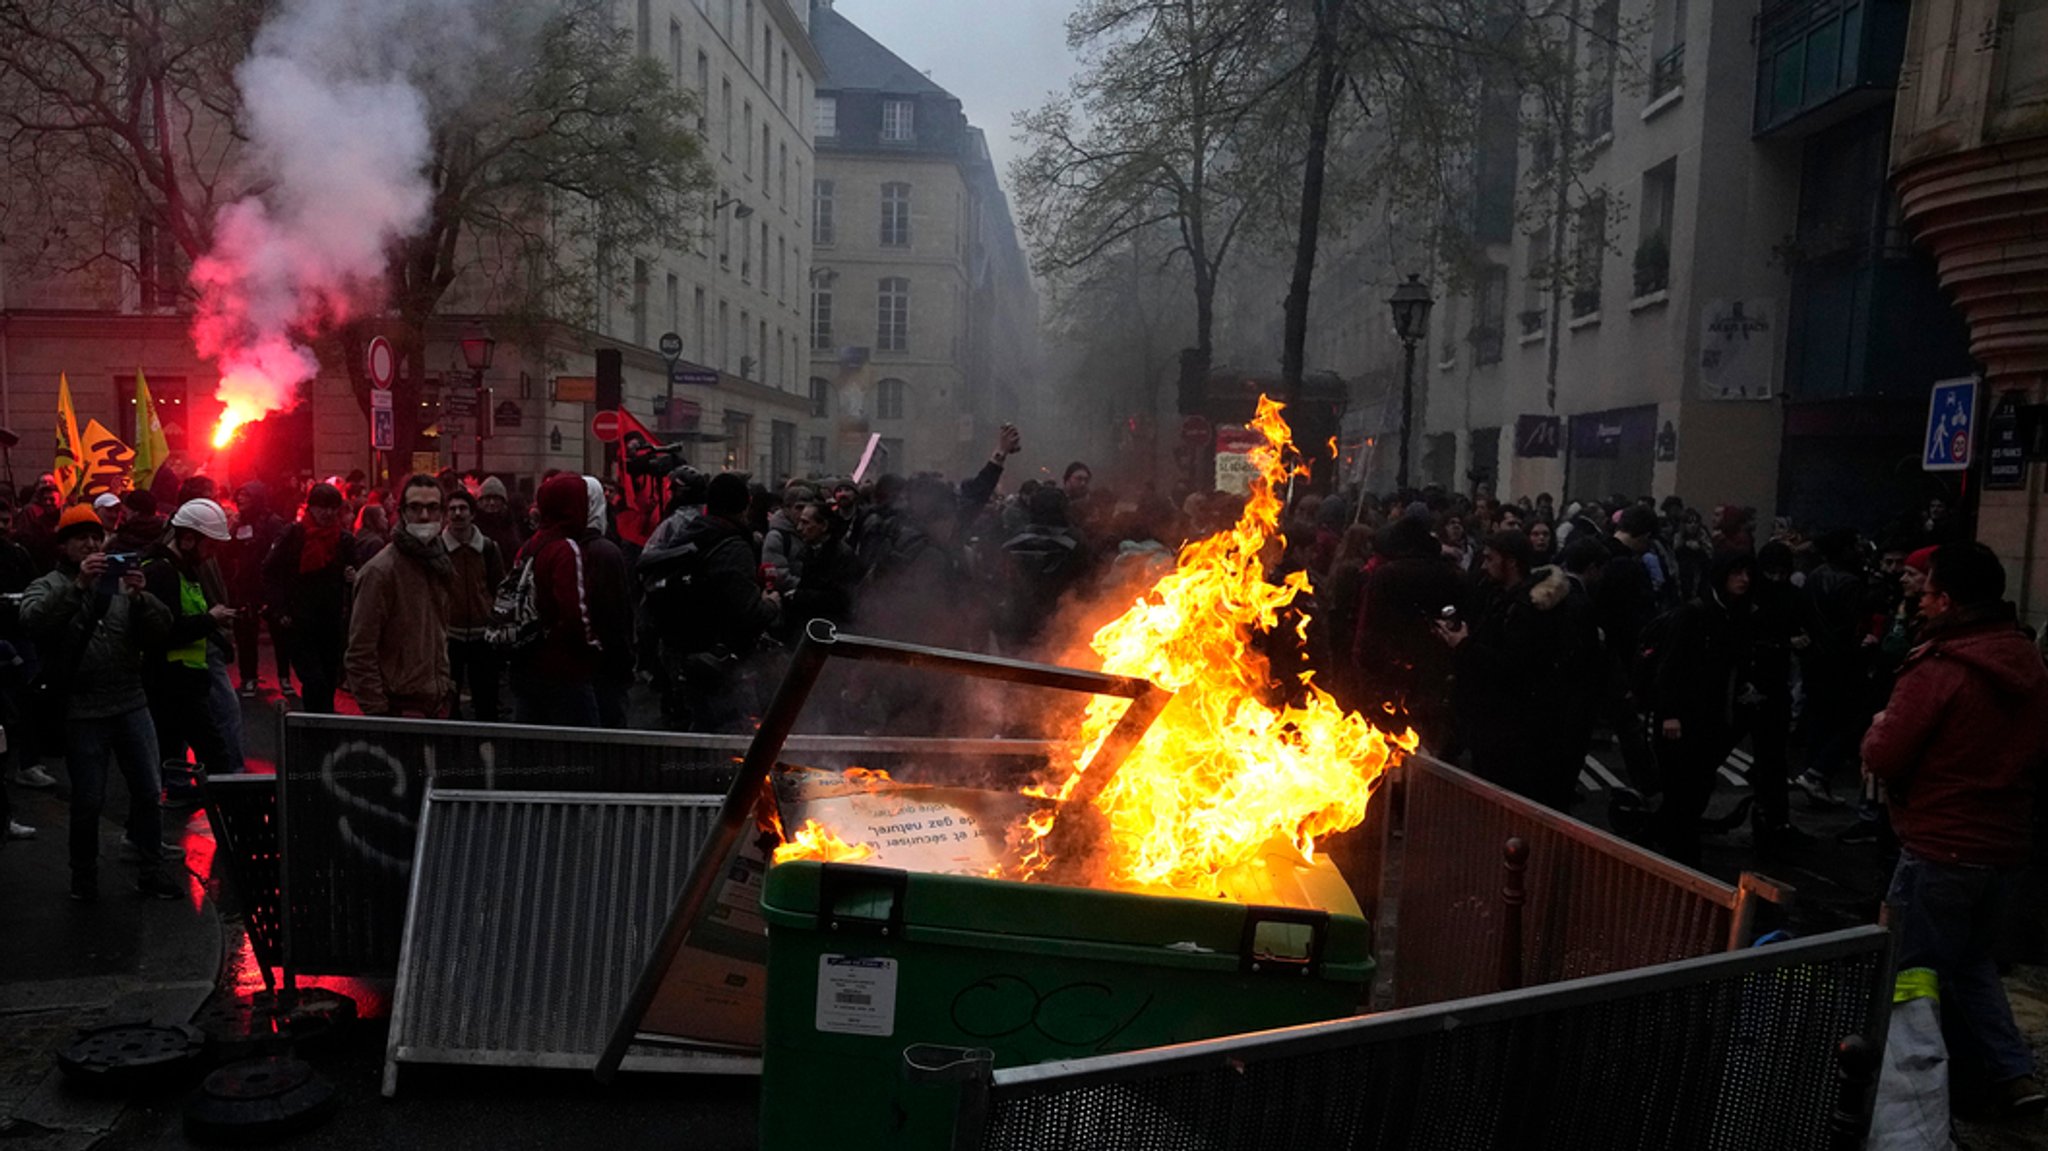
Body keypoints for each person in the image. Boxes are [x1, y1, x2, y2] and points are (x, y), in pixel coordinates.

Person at [1862, 543, 2047, 1116]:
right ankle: (2012, 1072)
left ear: (1947, 599)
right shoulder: (2028, 663)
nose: (1920, 597)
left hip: (1939, 844)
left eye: (1930, 590)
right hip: (2003, 844)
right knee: (1972, 963)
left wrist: (1876, 731)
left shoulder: (1940, 669)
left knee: (1907, 976)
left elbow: (1888, 754)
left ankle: (1904, 1092)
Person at [21, 504, 178, 901]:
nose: (91, 544)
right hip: (82, 709)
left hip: (130, 700)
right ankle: (84, 877)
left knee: (147, 790)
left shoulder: (122, 584)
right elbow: (34, 621)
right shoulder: (49, 584)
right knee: (89, 799)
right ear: (65, 546)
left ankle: (151, 868)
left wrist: (142, 598)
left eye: (96, 537)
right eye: (81, 539)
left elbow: (163, 630)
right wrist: (77, 590)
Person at [1437, 530, 1575, 807]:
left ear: (1510, 562)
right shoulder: (1500, 596)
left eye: (1490, 559)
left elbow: (1514, 667)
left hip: (1512, 728)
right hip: (1492, 721)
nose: (1484, 565)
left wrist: (1464, 646)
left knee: (1505, 801)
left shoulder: (1528, 609)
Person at [639, 472, 778, 732]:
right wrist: (772, 603)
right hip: (717, 660)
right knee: (731, 732)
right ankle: (715, 773)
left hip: (679, 652)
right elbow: (748, 612)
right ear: (745, 505)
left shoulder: (689, 533)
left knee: (693, 726)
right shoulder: (733, 546)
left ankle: (687, 769)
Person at [1648, 549, 1757, 867]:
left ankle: (1669, 840)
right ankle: (1680, 854)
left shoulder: (1736, 614)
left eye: (1747, 574)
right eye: (1736, 572)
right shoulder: (1695, 614)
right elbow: (1670, 667)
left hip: (1711, 718)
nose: (1744, 579)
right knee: (1684, 789)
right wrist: (1669, 713)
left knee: (1696, 787)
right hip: (1684, 718)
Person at [510, 474, 632, 727]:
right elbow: (575, 611)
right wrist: (593, 647)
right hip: (568, 668)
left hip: (530, 663)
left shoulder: (531, 545)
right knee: (585, 748)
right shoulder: (567, 548)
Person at [139, 498, 238, 798]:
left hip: (183, 679)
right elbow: (168, 630)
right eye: (210, 546)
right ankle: (232, 809)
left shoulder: (180, 570)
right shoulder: (163, 572)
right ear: (188, 538)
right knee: (213, 750)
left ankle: (180, 791)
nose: (212, 555)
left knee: (173, 743)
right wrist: (211, 620)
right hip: (174, 679)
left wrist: (217, 634)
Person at [345, 476, 452, 717]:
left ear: (443, 514)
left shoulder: (439, 563)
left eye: (432, 507)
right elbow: (360, 653)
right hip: (400, 708)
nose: (424, 515)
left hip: (435, 703)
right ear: (402, 513)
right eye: (415, 507)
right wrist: (381, 715)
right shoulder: (380, 572)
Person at [263, 483, 355, 712]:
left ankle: (322, 725)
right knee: (314, 680)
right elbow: (271, 571)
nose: (328, 513)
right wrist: (280, 610)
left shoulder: (344, 540)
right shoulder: (294, 535)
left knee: (328, 679)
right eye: (322, 507)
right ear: (311, 508)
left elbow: (356, 574)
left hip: (331, 621)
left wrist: (351, 576)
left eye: (333, 508)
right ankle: (315, 725)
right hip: (300, 621)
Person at [440, 488, 505, 721]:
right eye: (452, 509)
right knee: (448, 702)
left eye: (463, 508)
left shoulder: (488, 548)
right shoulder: (438, 549)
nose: (458, 514)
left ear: (472, 514)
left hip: (482, 635)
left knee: (486, 699)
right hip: (449, 635)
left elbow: (499, 586)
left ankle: (488, 747)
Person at [229, 483, 289, 697]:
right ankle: (248, 677)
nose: (240, 499)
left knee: (279, 633)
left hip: (269, 585)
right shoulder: (238, 523)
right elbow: (230, 552)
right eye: (239, 495)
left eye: (245, 495)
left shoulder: (273, 523)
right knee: (245, 633)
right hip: (245, 586)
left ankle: (284, 676)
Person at [475, 476, 526, 561]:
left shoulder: (510, 524)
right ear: (480, 502)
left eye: (496, 498)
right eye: (487, 498)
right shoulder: (474, 527)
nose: (492, 503)